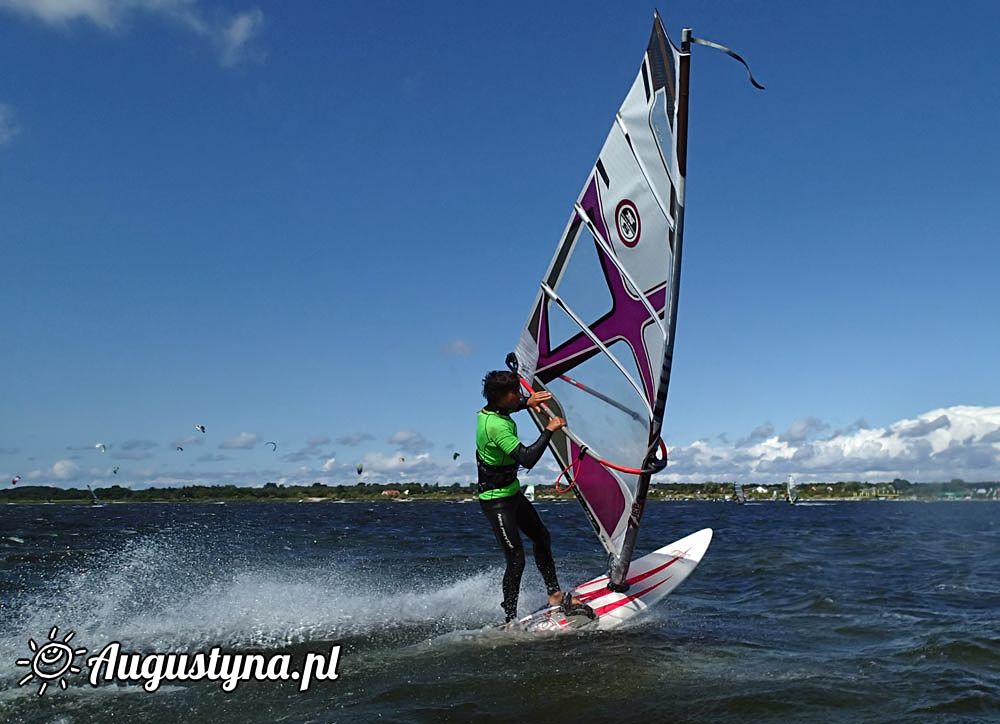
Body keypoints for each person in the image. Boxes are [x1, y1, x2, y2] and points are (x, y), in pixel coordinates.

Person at [476, 369, 594, 625]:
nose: (519, 396)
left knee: (541, 536)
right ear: (499, 396)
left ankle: (554, 594)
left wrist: (525, 403)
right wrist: (550, 429)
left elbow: (509, 407)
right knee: (516, 559)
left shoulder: (496, 411)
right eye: (514, 393)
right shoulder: (494, 426)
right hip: (495, 501)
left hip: (512, 494)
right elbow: (527, 458)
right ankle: (510, 619)